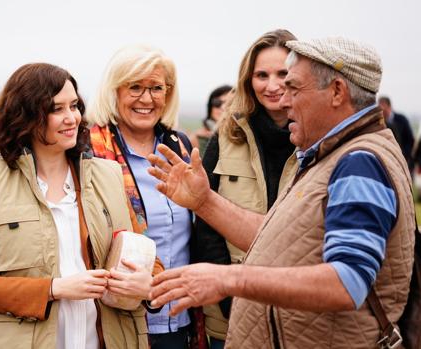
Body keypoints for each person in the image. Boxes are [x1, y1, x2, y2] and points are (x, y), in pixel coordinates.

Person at [148, 38, 415, 348]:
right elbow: (279, 240)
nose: (283, 99)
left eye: (294, 88)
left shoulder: (359, 163)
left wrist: (229, 279)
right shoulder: (332, 156)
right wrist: (204, 202)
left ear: (338, 92)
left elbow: (347, 282)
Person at [0, 63, 160, 349]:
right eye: (56, 109)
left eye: (75, 106)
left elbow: (149, 259)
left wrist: (147, 285)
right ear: (25, 116)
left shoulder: (109, 175)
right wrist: (55, 289)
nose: (72, 118)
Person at [87, 45, 205, 349]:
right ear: (114, 91)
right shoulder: (90, 152)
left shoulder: (177, 146)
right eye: (135, 87)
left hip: (181, 320)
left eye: (156, 88)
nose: (147, 98)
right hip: (117, 321)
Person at [193, 29, 298, 349]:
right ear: (247, 80)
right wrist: (230, 297)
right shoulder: (226, 136)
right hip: (231, 315)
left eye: (283, 73)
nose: (272, 85)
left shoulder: (317, 140)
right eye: (261, 75)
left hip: (300, 315)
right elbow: (206, 221)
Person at [189, 85, 232, 156]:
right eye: (217, 103)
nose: (222, 107)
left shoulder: (243, 138)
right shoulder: (196, 138)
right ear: (210, 107)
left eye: (229, 104)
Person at [379, 95, 415, 174]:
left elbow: (410, 139)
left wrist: (404, 156)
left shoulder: (401, 119)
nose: (382, 113)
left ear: (389, 107)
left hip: (403, 160)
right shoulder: (379, 123)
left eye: (384, 110)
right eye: (380, 110)